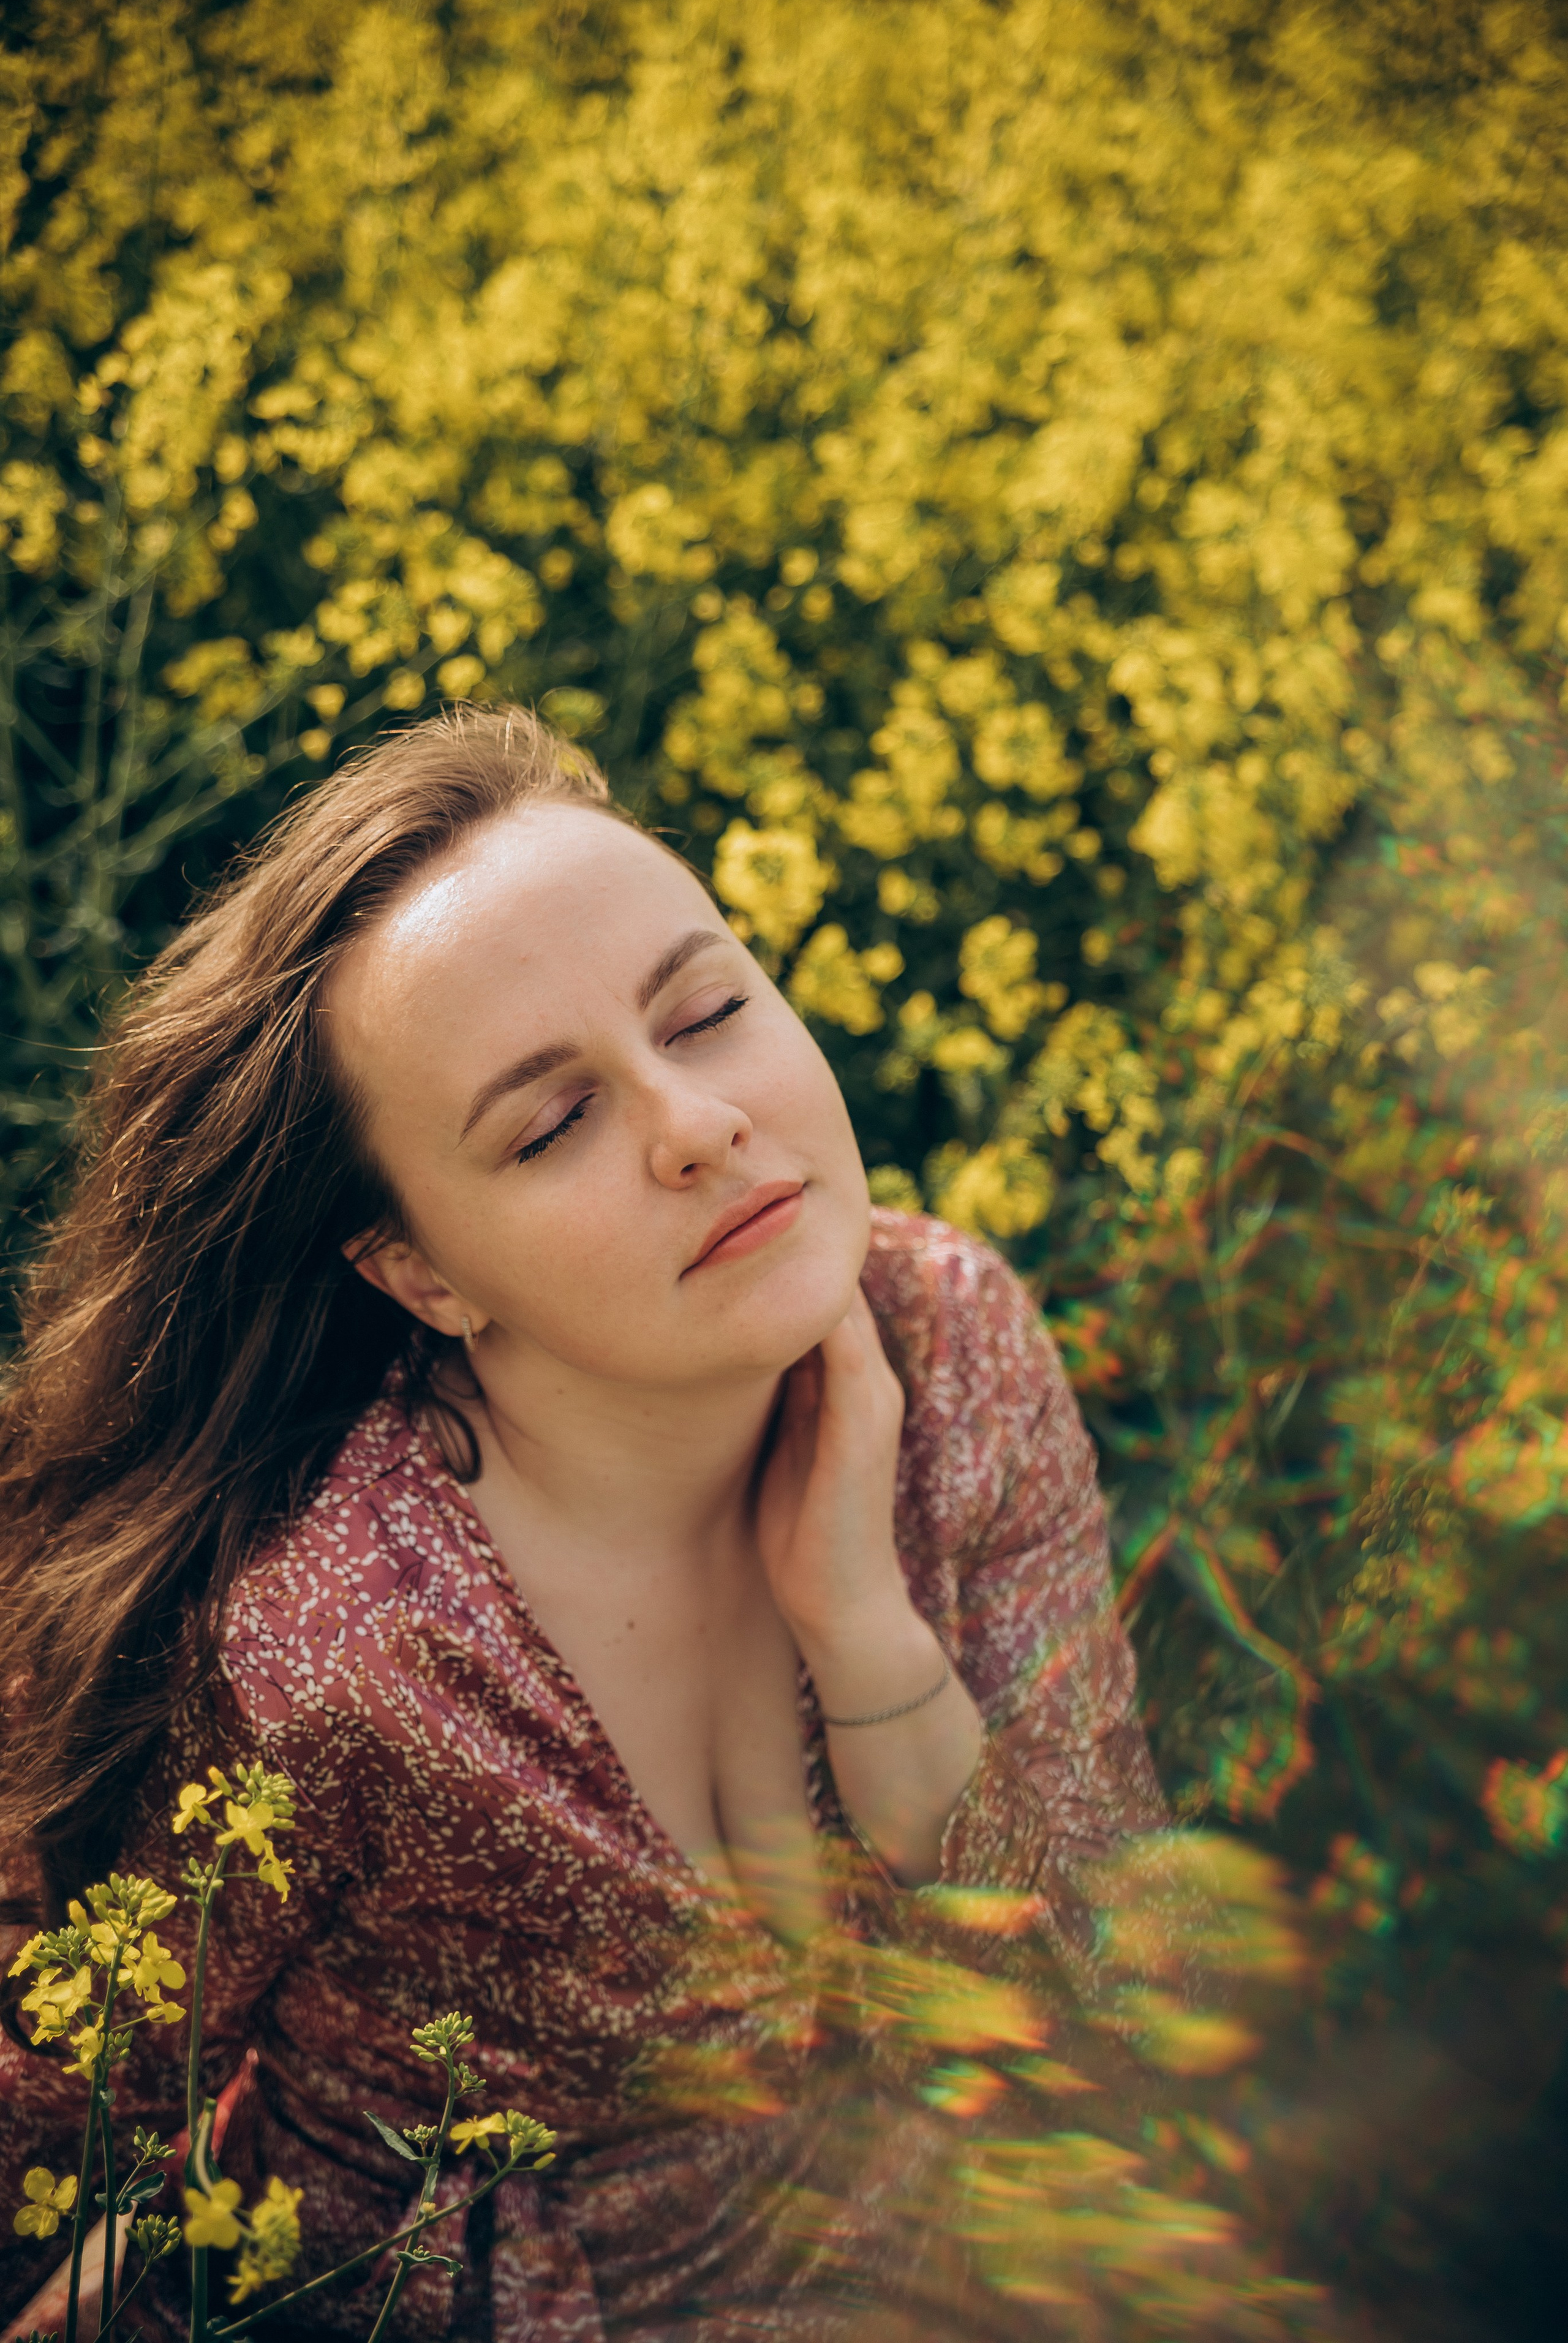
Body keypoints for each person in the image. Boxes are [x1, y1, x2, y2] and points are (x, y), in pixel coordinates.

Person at [0, 704, 1163, 2339]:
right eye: (551, 1125)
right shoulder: (327, 1647)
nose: (696, 1125)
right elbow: (48, 2102)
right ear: (421, 1273)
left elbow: (1108, 1999)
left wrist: (867, 1631)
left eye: (706, 1011)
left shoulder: (955, 1341)